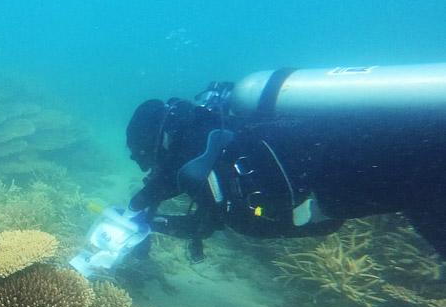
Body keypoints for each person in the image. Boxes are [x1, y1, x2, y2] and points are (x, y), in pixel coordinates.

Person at [122, 76, 446, 263]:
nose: (146, 165)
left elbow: (201, 222)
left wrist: (151, 221)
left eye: (143, 155)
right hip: (361, 144)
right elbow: (167, 182)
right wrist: (141, 205)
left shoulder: (197, 155)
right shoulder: (213, 127)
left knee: (421, 180)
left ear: (156, 141)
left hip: (350, 176)